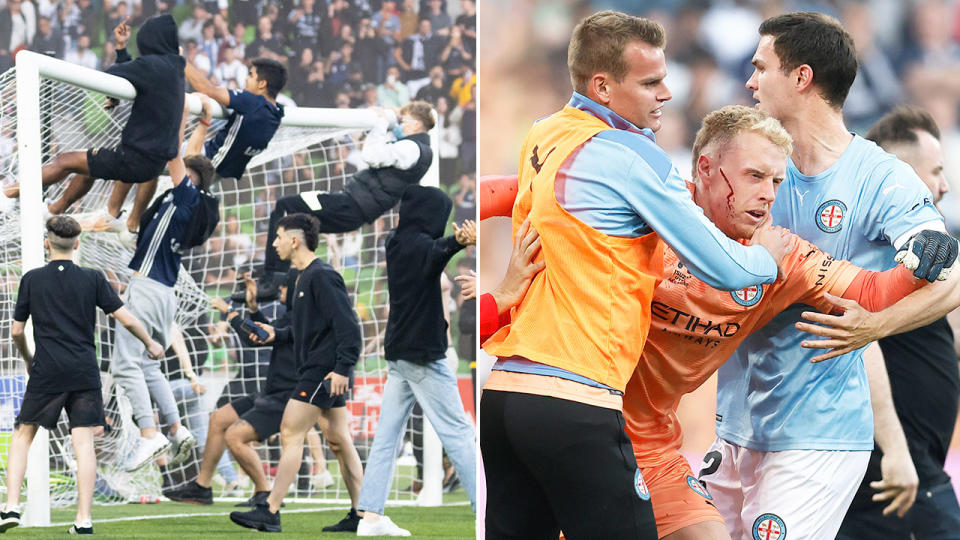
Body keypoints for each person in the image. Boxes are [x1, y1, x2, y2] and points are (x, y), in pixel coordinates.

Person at [479, 11, 790, 540]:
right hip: (576, 400)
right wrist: (771, 256)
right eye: (649, 81)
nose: (666, 92)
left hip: (506, 395)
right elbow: (723, 267)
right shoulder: (629, 154)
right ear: (602, 86)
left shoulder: (545, 134)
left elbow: (515, 195)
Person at [704, 13, 957, 539]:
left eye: (760, 67)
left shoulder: (879, 176)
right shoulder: (753, 159)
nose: (749, 81)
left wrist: (874, 327)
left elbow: (948, 272)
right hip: (735, 424)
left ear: (801, 78)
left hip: (817, 436)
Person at [837, 107, 960, 538]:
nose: (944, 186)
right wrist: (895, 449)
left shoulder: (925, 249)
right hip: (895, 466)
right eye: (937, 172)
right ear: (902, 175)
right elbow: (859, 342)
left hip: (917, 458)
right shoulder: (870, 249)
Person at [2, 216, 163, 535]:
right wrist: (150, 341)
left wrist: (28, 358)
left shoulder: (32, 279)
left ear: (46, 243)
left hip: (47, 369)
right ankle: (83, 519)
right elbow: (125, 317)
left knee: (23, 435)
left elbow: (17, 331)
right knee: (84, 442)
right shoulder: (93, 278)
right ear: (77, 244)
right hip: (83, 369)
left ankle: (10, 507)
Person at [229, 214, 364, 533]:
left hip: (322, 371)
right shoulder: (299, 277)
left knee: (291, 432)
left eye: (277, 237)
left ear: (294, 240)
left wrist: (343, 368)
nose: (273, 243)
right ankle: (363, 513)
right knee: (339, 441)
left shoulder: (322, 275)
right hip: (320, 369)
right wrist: (276, 333)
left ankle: (271, 510)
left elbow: (348, 326)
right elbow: (303, 328)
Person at [356, 186, 477, 536]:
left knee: (386, 437)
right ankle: (484, 513)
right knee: (459, 434)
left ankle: (372, 517)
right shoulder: (417, 246)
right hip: (422, 356)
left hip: (399, 354)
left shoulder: (396, 243)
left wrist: (455, 243)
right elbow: (435, 251)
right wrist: (458, 242)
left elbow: (433, 254)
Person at [113, 105, 218, 473]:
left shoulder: (185, 196)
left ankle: (148, 433)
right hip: (166, 292)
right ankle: (175, 427)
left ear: (190, 179)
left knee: (124, 365)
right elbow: (189, 157)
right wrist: (202, 125)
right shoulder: (200, 204)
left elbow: (174, 153)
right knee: (148, 365)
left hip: (146, 287)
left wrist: (177, 107)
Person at [21, 16, 185, 236]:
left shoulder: (152, 66)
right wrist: (121, 48)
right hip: (152, 164)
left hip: (133, 159)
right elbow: (131, 74)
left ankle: (8, 195)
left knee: (64, 161)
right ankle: (56, 209)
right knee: (87, 168)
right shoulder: (174, 68)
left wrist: (118, 61)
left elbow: (111, 76)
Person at [162, 273, 298, 507]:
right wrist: (253, 309)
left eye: (283, 288)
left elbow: (260, 337)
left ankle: (264, 491)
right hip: (271, 389)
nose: (279, 292)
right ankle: (202, 487)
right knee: (218, 419)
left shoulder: (302, 317)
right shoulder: (291, 314)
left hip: (287, 395)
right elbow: (264, 335)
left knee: (235, 436)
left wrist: (229, 312)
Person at [260, 101, 435, 280]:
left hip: (349, 204)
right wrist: (390, 113)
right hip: (352, 209)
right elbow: (399, 131)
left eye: (405, 121)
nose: (401, 124)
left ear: (416, 124)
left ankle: (273, 277)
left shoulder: (410, 148)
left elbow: (371, 156)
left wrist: (381, 122)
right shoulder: (418, 148)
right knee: (298, 226)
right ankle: (281, 280)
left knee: (286, 207)